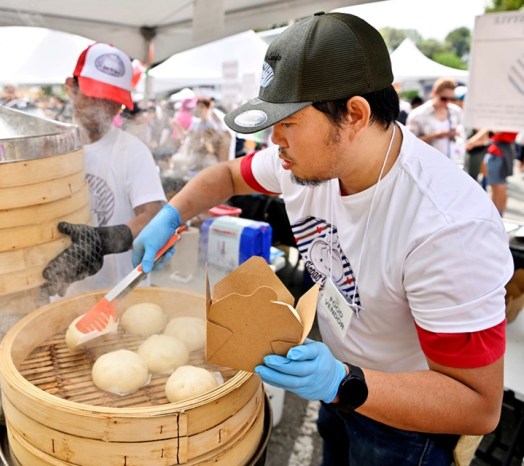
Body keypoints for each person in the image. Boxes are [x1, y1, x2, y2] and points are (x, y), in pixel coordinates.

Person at [132, 12, 511, 466]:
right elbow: (227, 174)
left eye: (288, 122)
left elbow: (478, 405)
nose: (275, 140)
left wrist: (343, 381)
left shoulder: (449, 228)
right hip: (341, 388)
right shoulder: (307, 161)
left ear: (354, 114)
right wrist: (172, 213)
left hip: (408, 426)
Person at [41, 43, 166, 298]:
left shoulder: (132, 151)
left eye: (113, 101)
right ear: (71, 88)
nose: (103, 108)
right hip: (67, 297)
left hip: (122, 295)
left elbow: (154, 216)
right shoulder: (51, 150)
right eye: (94, 95)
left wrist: (106, 240)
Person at [406, 77, 463, 158]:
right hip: (426, 162)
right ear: (434, 93)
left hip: (452, 161)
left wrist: (455, 134)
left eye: (452, 99)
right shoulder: (418, 114)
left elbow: (462, 137)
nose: (447, 102)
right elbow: (408, 144)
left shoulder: (456, 111)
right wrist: (434, 136)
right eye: (444, 99)